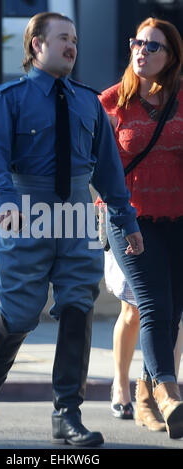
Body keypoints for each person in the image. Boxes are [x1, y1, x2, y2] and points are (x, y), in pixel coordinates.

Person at [0, 12, 143, 447]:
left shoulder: (89, 102)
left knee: (79, 305)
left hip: (78, 213)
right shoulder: (9, 98)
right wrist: (5, 203)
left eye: (76, 40)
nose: (72, 46)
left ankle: (67, 414)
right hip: (27, 209)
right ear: (35, 46)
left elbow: (109, 172)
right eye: (63, 38)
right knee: (22, 311)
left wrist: (126, 219)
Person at [99, 17, 183, 439]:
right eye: (138, 43)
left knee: (173, 312)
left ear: (170, 58)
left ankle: (147, 393)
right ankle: (167, 393)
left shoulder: (182, 99)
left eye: (153, 47)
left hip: (178, 218)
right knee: (148, 305)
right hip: (130, 219)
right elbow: (93, 166)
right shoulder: (111, 103)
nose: (142, 52)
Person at [104, 248, 183, 426]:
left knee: (172, 315)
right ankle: (121, 384)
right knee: (132, 312)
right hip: (131, 233)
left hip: (171, 228)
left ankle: (167, 395)